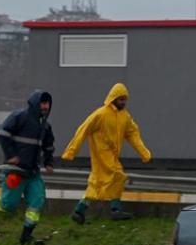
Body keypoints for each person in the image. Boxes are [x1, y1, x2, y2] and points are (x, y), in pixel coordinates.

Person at [61, 82, 152, 223]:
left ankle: (79, 211)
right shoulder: (101, 114)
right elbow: (83, 130)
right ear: (113, 98)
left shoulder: (125, 117)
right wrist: (71, 151)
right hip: (101, 155)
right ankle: (115, 209)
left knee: (97, 183)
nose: (123, 102)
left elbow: (133, 134)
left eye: (125, 99)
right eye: (121, 99)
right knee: (118, 176)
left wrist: (143, 152)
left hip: (112, 155)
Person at [0, 90, 55, 245]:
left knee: (37, 202)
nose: (45, 106)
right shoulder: (20, 116)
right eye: (43, 103)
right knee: (8, 205)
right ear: (35, 103)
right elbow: (3, 133)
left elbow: (49, 147)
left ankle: (26, 236)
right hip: (15, 170)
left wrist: (49, 163)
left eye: (47, 104)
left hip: (33, 173)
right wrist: (11, 155)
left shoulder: (45, 126)